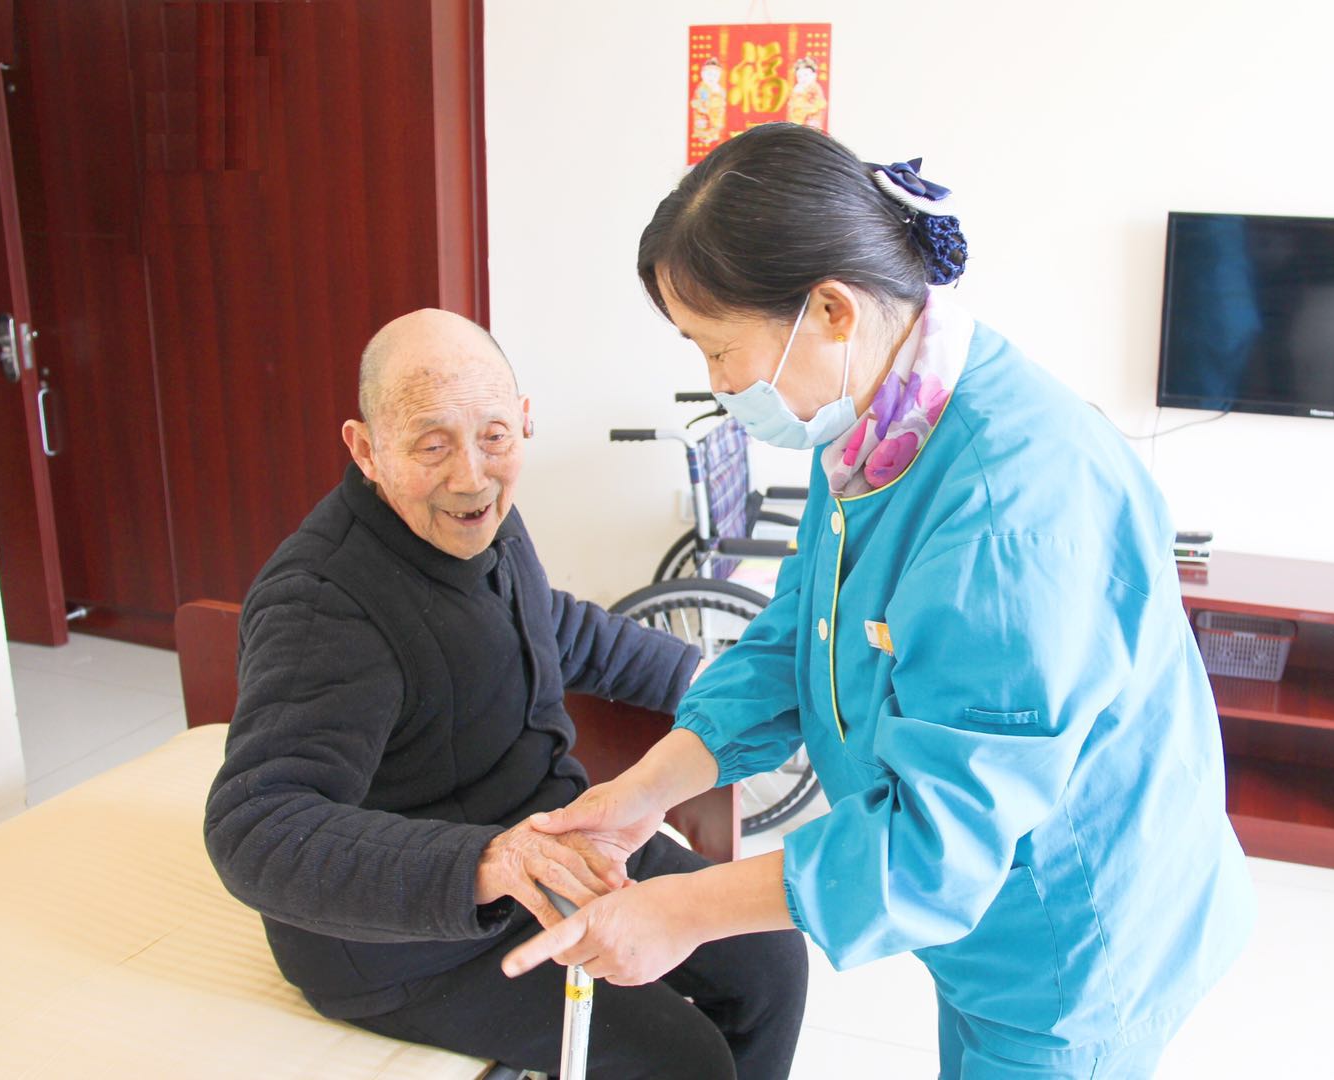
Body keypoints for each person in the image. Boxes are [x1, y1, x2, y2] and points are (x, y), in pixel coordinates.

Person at [504, 124, 1256, 1079]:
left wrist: (679, 912)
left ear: (830, 309)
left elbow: (938, 844)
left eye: (719, 348)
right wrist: (644, 791)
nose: (718, 384)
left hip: (1072, 941)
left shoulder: (1006, 512)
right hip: (989, 928)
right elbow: (798, 634)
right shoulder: (877, 426)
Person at [204, 308, 806, 1080]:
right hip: (409, 936)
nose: (470, 476)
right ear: (366, 449)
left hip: (548, 842)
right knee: (681, 1059)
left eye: (492, 437)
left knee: (769, 956)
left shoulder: (481, 519)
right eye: (431, 445)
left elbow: (545, 624)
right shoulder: (324, 606)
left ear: (523, 421)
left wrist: (704, 682)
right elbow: (256, 827)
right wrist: (487, 862)